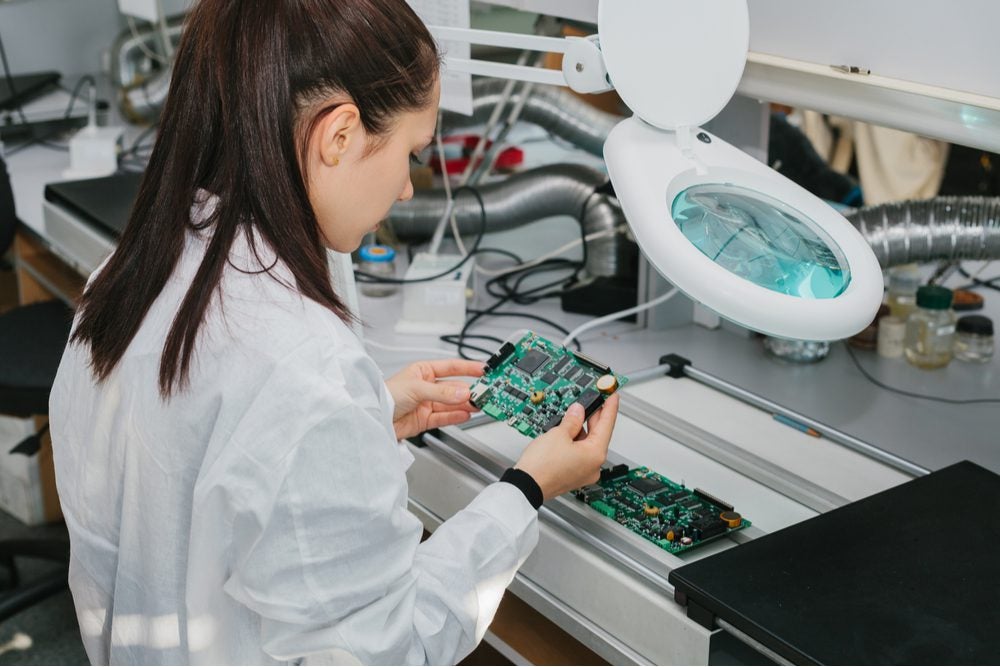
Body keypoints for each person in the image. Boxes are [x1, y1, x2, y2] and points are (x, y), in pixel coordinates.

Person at [48, 0, 618, 664]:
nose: (408, 188)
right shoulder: (304, 370)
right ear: (339, 134)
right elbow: (391, 646)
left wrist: (370, 410)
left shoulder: (131, 271)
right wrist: (526, 488)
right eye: (410, 152)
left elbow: (206, 471)